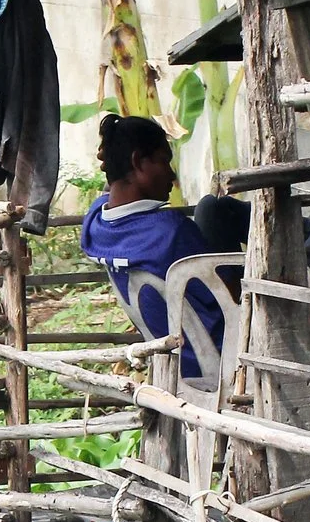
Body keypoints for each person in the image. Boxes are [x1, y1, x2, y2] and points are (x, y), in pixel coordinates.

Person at [81, 114, 248, 380]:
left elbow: (107, 194)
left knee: (212, 208)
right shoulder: (171, 231)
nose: (171, 174)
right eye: (163, 161)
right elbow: (233, 296)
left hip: (181, 360)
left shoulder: (95, 225)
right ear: (138, 161)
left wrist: (115, 162)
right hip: (224, 351)